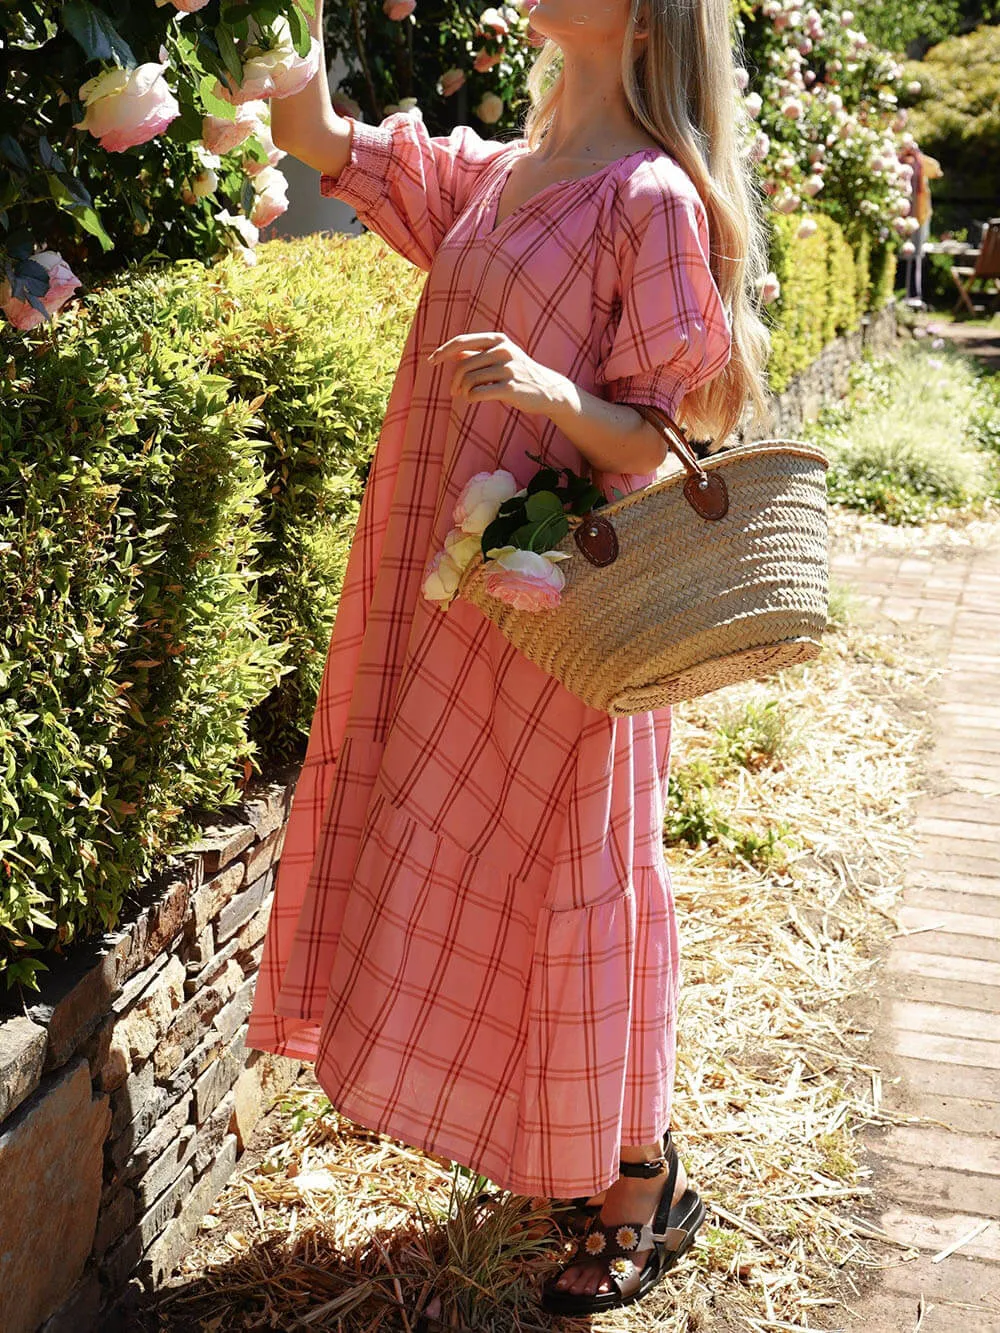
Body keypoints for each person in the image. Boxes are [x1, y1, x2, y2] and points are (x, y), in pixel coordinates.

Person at [244, 0, 770, 1315]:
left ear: (646, 20)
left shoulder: (647, 196)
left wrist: (544, 390)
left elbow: (651, 442)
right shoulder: (507, 172)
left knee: (578, 873)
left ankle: (639, 1175)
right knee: (489, 858)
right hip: (453, 589)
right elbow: (324, 137)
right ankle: (569, 1145)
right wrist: (275, 37)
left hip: (559, 612)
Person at [899, 136, 943, 308]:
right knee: (898, 253)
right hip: (900, 213)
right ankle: (898, 292)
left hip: (918, 215)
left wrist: (918, 154)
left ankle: (914, 294)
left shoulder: (921, 164)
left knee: (916, 255)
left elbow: (936, 170)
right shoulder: (897, 162)